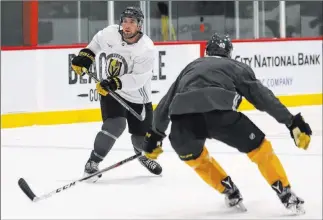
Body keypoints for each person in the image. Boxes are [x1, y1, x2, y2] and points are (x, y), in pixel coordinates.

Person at [142, 33, 312, 214]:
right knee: (260, 148)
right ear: (229, 53)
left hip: (182, 123)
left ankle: (229, 191)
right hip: (221, 117)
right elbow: (263, 98)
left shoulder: (191, 67)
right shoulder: (236, 67)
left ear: (206, 51)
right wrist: (291, 121)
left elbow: (165, 103)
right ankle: (285, 193)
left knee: (196, 158)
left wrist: (155, 135)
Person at [71, 6, 162, 182]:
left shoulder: (146, 48)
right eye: (125, 21)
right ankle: (92, 163)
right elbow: (96, 43)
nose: (127, 26)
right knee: (115, 125)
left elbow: (139, 79)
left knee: (141, 142)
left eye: (132, 22)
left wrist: (114, 83)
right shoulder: (110, 33)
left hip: (138, 97)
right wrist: (86, 56)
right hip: (111, 92)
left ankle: (143, 156)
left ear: (140, 26)